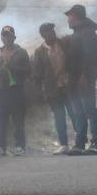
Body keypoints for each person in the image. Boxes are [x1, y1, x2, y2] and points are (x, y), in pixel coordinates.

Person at [64, 5, 97, 155]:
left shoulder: (86, 33)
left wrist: (83, 74)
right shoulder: (79, 32)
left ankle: (96, 143)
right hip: (74, 79)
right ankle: (80, 143)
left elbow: (88, 55)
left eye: (69, 16)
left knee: (89, 109)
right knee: (79, 112)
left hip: (84, 78)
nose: (68, 19)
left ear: (76, 16)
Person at [0, 26, 30, 157]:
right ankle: (0, 147)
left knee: (18, 120)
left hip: (16, 90)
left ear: (14, 37)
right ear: (1, 37)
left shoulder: (21, 52)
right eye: (4, 35)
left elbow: (28, 70)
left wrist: (13, 67)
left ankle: (20, 146)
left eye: (8, 35)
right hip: (0, 91)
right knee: (0, 121)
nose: (6, 37)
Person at [33, 23, 75, 155]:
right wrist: (39, 92)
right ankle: (64, 145)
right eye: (49, 31)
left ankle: (81, 140)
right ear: (43, 35)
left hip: (68, 86)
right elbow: (37, 74)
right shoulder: (39, 52)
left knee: (75, 114)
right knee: (59, 117)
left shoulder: (64, 43)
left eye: (53, 30)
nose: (52, 33)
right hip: (53, 90)